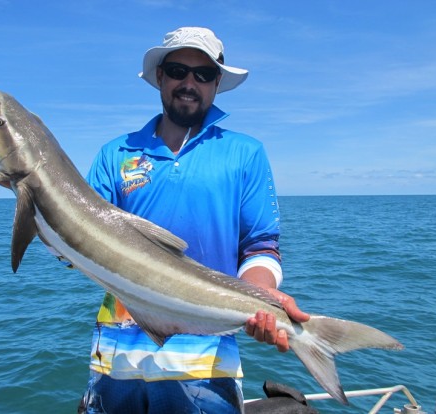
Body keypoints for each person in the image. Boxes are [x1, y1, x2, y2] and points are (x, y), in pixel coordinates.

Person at [79, 27, 309, 414]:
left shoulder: (245, 154)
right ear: (159, 76)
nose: (189, 83)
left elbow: (260, 246)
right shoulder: (114, 153)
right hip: (115, 362)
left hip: (206, 365)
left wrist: (258, 301)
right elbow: (75, 245)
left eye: (203, 74)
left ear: (217, 82)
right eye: (177, 70)